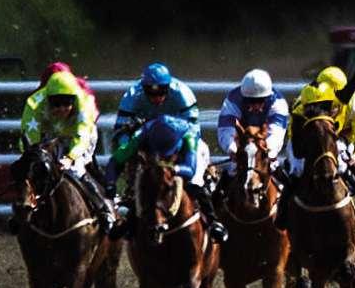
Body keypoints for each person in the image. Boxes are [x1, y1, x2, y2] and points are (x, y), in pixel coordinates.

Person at [279, 18, 355, 225]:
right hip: (307, 142)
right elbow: (295, 138)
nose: (323, 108)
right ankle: (284, 209)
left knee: (342, 162)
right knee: (295, 170)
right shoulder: (304, 102)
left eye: (328, 104)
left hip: (340, 141)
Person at [11, 67, 119, 234]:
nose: (62, 108)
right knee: (35, 168)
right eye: (56, 103)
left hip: (80, 135)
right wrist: (35, 157)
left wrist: (70, 157)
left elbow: (82, 138)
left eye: (67, 102)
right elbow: (28, 138)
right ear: (47, 99)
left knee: (75, 169)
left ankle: (104, 210)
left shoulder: (84, 105)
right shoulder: (34, 104)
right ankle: (22, 209)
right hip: (51, 135)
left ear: (74, 100)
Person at [114, 113, 227, 243]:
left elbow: (190, 170)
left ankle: (213, 222)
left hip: (187, 153)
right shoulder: (145, 131)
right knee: (149, 185)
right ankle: (129, 223)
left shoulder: (186, 131)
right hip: (161, 156)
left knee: (194, 183)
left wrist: (176, 170)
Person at [106, 62, 200, 188]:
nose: (156, 97)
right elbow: (120, 129)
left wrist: (177, 166)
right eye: (150, 93)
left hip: (179, 134)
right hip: (147, 135)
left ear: (168, 87)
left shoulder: (183, 94)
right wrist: (127, 147)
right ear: (143, 88)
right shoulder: (132, 95)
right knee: (128, 156)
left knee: (196, 176)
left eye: (161, 92)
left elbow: (193, 127)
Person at [215, 68, 289, 198]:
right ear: (244, 97)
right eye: (251, 101)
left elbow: (276, 134)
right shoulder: (233, 100)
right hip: (242, 148)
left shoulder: (278, 102)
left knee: (287, 184)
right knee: (220, 191)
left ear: (267, 97)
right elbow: (226, 129)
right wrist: (233, 149)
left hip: (263, 149)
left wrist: (267, 151)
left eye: (260, 101)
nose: (256, 105)